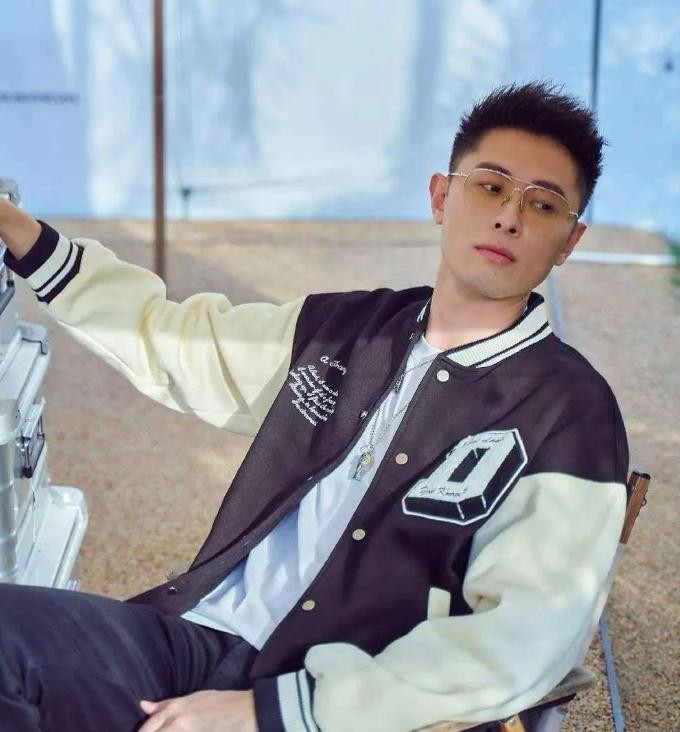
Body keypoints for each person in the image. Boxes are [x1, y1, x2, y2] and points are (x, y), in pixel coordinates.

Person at [0, 81, 628, 732]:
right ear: (442, 197)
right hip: (197, 642)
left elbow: (520, 641)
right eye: (490, 186)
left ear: (569, 241)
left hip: (342, 707)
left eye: (543, 204)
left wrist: (273, 712)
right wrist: (16, 228)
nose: (509, 218)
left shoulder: (570, 413)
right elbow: (173, 340)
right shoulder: (344, 331)